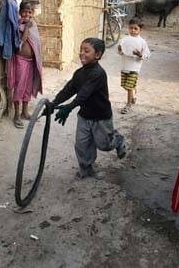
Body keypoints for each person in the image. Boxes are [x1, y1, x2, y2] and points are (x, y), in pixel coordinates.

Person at [47, 38, 126, 180]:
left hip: (100, 116)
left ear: (97, 55)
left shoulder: (98, 73)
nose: (82, 53)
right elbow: (69, 89)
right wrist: (54, 103)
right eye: (81, 50)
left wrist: (69, 107)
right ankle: (86, 168)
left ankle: (118, 140)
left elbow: (84, 93)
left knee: (104, 144)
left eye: (86, 51)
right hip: (84, 116)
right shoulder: (79, 73)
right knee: (82, 144)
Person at [7, 0, 43, 128]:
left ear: (33, 13)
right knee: (19, 86)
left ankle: (24, 112)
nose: (27, 14)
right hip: (20, 60)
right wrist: (26, 28)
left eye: (30, 12)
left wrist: (29, 27)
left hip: (30, 62)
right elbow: (19, 43)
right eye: (24, 12)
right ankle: (16, 114)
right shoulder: (18, 25)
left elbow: (36, 42)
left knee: (27, 86)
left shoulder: (33, 25)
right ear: (20, 12)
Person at [117, 17, 150, 114]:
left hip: (134, 68)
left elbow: (147, 54)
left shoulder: (142, 42)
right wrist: (119, 50)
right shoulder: (125, 39)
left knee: (129, 87)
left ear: (140, 29)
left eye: (135, 28)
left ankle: (128, 105)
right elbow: (121, 52)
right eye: (131, 28)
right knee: (125, 85)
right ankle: (134, 93)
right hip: (125, 66)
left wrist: (140, 55)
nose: (133, 30)